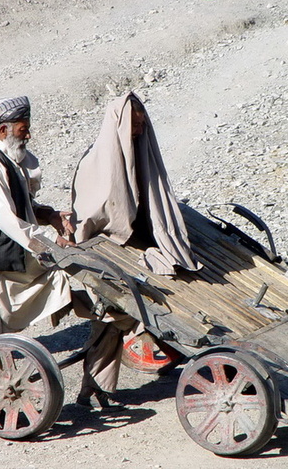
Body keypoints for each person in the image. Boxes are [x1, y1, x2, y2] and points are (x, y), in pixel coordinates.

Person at [69, 92, 201, 410]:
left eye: (142, 125)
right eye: (134, 126)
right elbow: (88, 214)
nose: (139, 131)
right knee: (111, 319)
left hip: (133, 248)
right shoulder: (94, 164)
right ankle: (92, 389)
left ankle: (94, 389)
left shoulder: (140, 158)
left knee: (110, 323)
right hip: (105, 254)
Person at [0, 96, 74, 352]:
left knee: (0, 337)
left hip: (1, 258)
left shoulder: (11, 160)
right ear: (3, 130)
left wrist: (50, 216)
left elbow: (23, 204)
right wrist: (51, 242)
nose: (28, 136)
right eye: (23, 129)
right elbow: (6, 218)